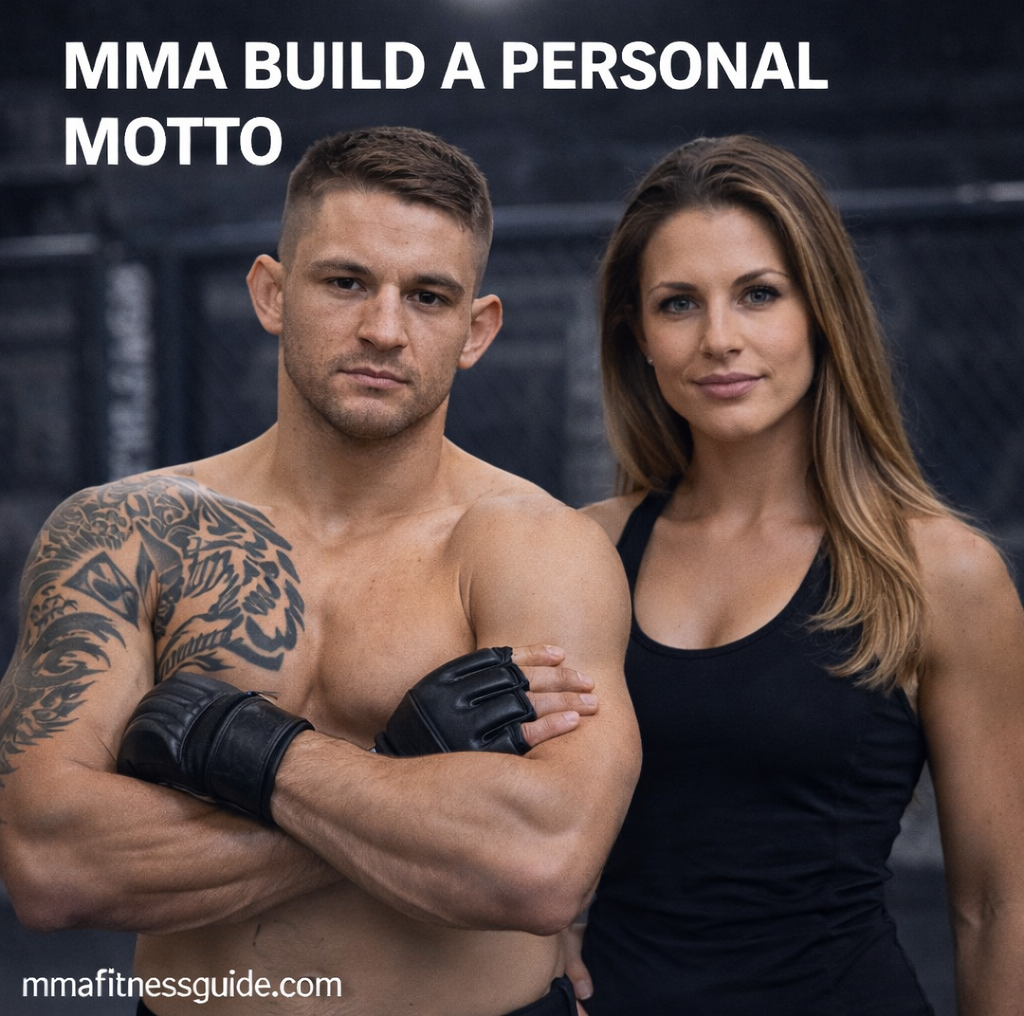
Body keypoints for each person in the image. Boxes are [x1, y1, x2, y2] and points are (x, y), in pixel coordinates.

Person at [0, 126, 641, 1016]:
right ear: (272, 292)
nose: (383, 328)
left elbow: (537, 868)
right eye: (345, 282)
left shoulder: (536, 548)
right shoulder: (125, 533)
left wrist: (244, 753)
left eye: (427, 296)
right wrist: (407, 777)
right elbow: (50, 862)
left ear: (476, 330)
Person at [562, 135, 1024, 1015]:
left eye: (759, 294)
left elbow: (1000, 905)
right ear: (639, 336)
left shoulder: (940, 573)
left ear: (823, 313)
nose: (720, 339)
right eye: (678, 304)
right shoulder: (582, 551)